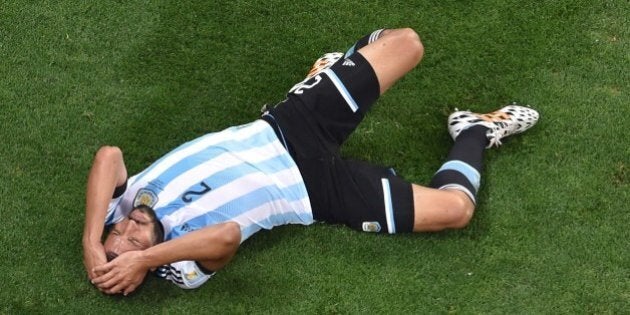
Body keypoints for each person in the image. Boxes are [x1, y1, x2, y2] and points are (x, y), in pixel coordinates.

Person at [83, 28, 539, 295]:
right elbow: (225, 238)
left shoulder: (118, 209)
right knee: (455, 211)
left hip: (286, 126)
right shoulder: (177, 268)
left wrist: (91, 241)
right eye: (131, 241)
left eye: (115, 232)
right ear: (146, 264)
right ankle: (475, 129)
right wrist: (145, 261)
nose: (127, 227)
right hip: (313, 191)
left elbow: (109, 156)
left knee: (407, 43)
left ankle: (329, 75)